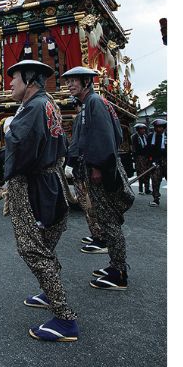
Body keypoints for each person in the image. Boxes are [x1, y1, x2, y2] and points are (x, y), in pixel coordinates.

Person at [2, 59, 79, 342]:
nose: (9, 83)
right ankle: (50, 291)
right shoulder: (49, 104)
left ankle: (64, 318)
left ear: (30, 81)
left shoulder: (33, 107)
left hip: (33, 182)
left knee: (32, 246)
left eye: (14, 78)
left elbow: (20, 147)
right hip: (51, 177)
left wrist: (10, 129)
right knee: (44, 240)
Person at [62, 66, 133, 290]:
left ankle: (119, 272)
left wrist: (98, 168)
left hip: (100, 170)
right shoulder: (91, 104)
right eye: (68, 81)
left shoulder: (95, 103)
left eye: (74, 81)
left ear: (87, 82)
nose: (70, 85)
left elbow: (106, 137)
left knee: (109, 220)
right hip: (96, 167)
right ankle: (114, 264)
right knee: (105, 219)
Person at [68, 102, 108, 254]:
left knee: (89, 203)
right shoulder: (83, 116)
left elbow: (77, 143)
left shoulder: (83, 117)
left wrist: (71, 161)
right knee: (87, 204)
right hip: (82, 165)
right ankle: (95, 234)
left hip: (83, 164)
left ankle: (101, 238)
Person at [147, 118, 167, 207]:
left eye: (160, 127)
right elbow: (149, 151)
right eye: (156, 127)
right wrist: (152, 160)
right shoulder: (151, 137)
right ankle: (156, 199)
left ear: (164, 128)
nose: (158, 129)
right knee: (155, 180)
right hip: (156, 162)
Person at [131, 123, 150, 196]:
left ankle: (147, 189)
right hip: (139, 157)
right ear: (138, 130)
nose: (143, 130)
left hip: (146, 156)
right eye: (141, 129)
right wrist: (135, 158)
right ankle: (141, 189)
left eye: (144, 129)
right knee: (141, 173)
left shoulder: (145, 136)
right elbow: (133, 148)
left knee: (147, 172)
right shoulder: (134, 137)